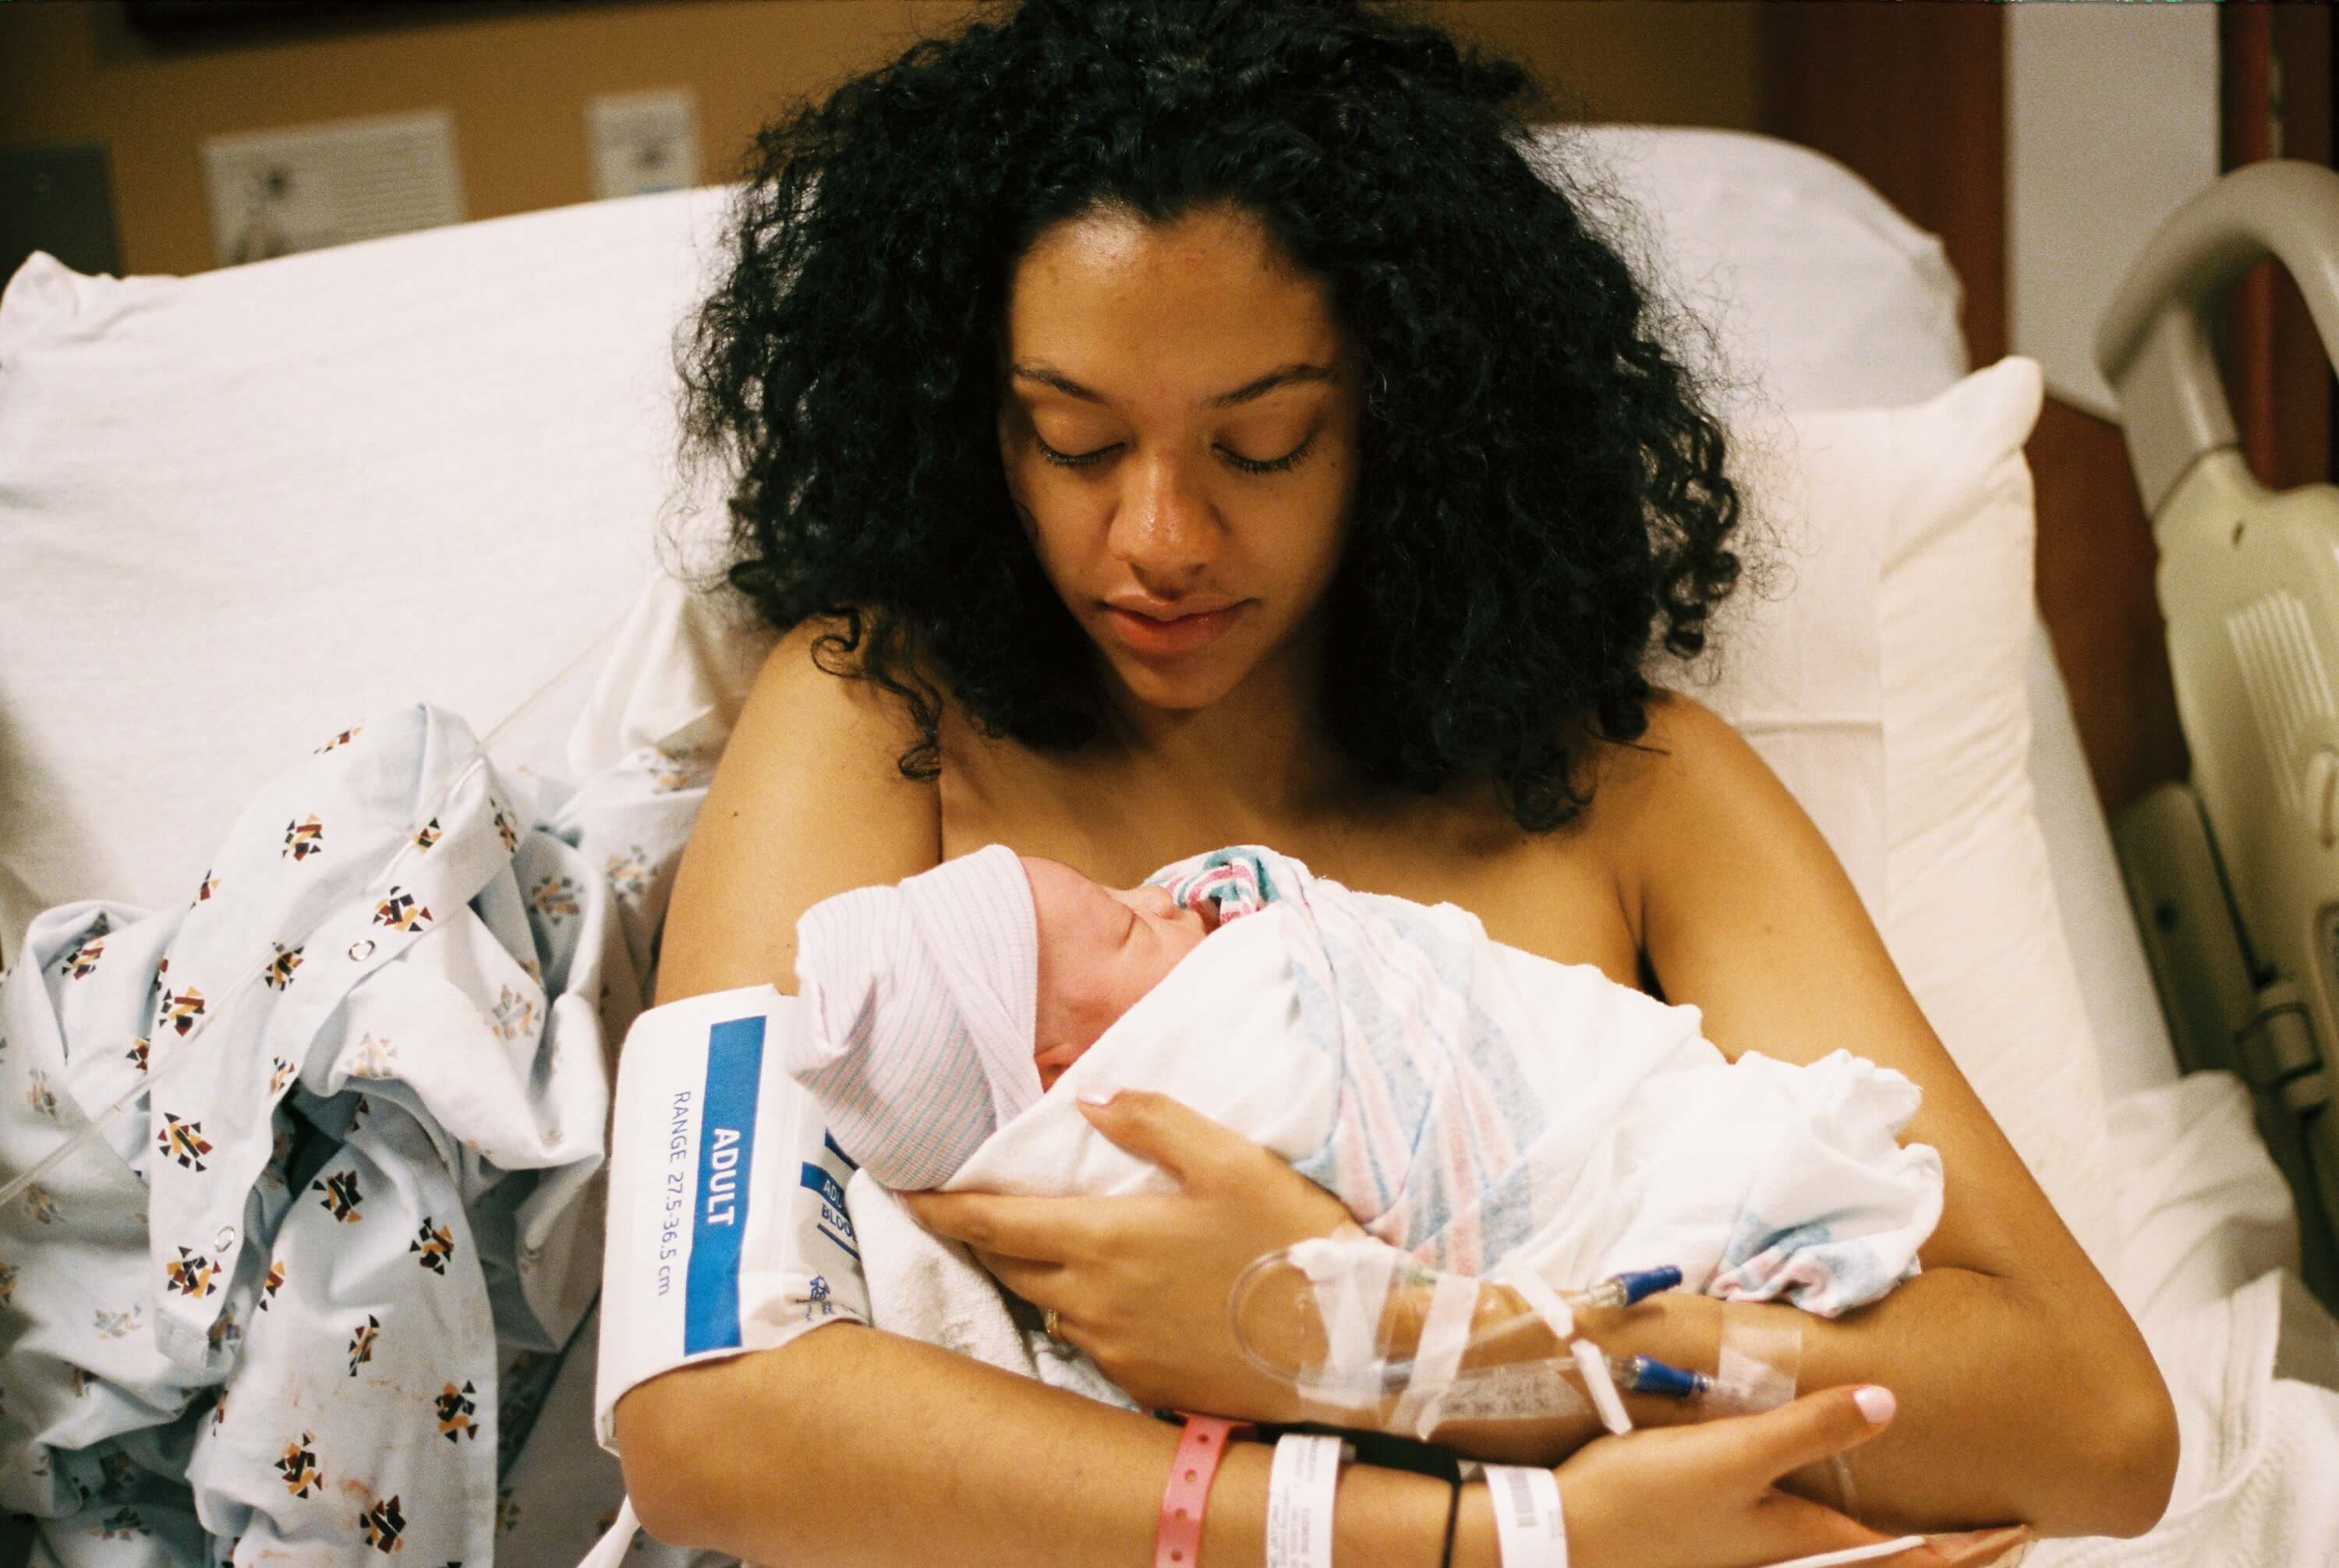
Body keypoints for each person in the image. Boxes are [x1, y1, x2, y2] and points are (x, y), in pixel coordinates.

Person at [619, 1, 2176, 1563]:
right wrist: (1512, 1540)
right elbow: (705, 1417)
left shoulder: (1625, 796)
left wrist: (1421, 1353)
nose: (1158, 534)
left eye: (1267, 442)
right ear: (978, 426)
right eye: (1074, 440)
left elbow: (2094, 1430)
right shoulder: (879, 718)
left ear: (1406, 420)